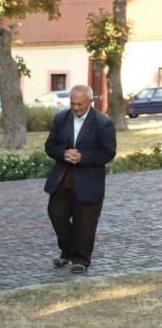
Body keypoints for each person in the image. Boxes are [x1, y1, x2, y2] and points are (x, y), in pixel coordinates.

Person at [44, 85, 116, 275]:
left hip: (89, 181)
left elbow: (108, 153)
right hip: (62, 178)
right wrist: (63, 153)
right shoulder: (61, 118)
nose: (75, 107)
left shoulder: (103, 123)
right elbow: (50, 146)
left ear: (90, 102)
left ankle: (81, 259)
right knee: (56, 214)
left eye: (79, 104)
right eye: (72, 103)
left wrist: (83, 158)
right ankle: (67, 250)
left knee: (85, 223)